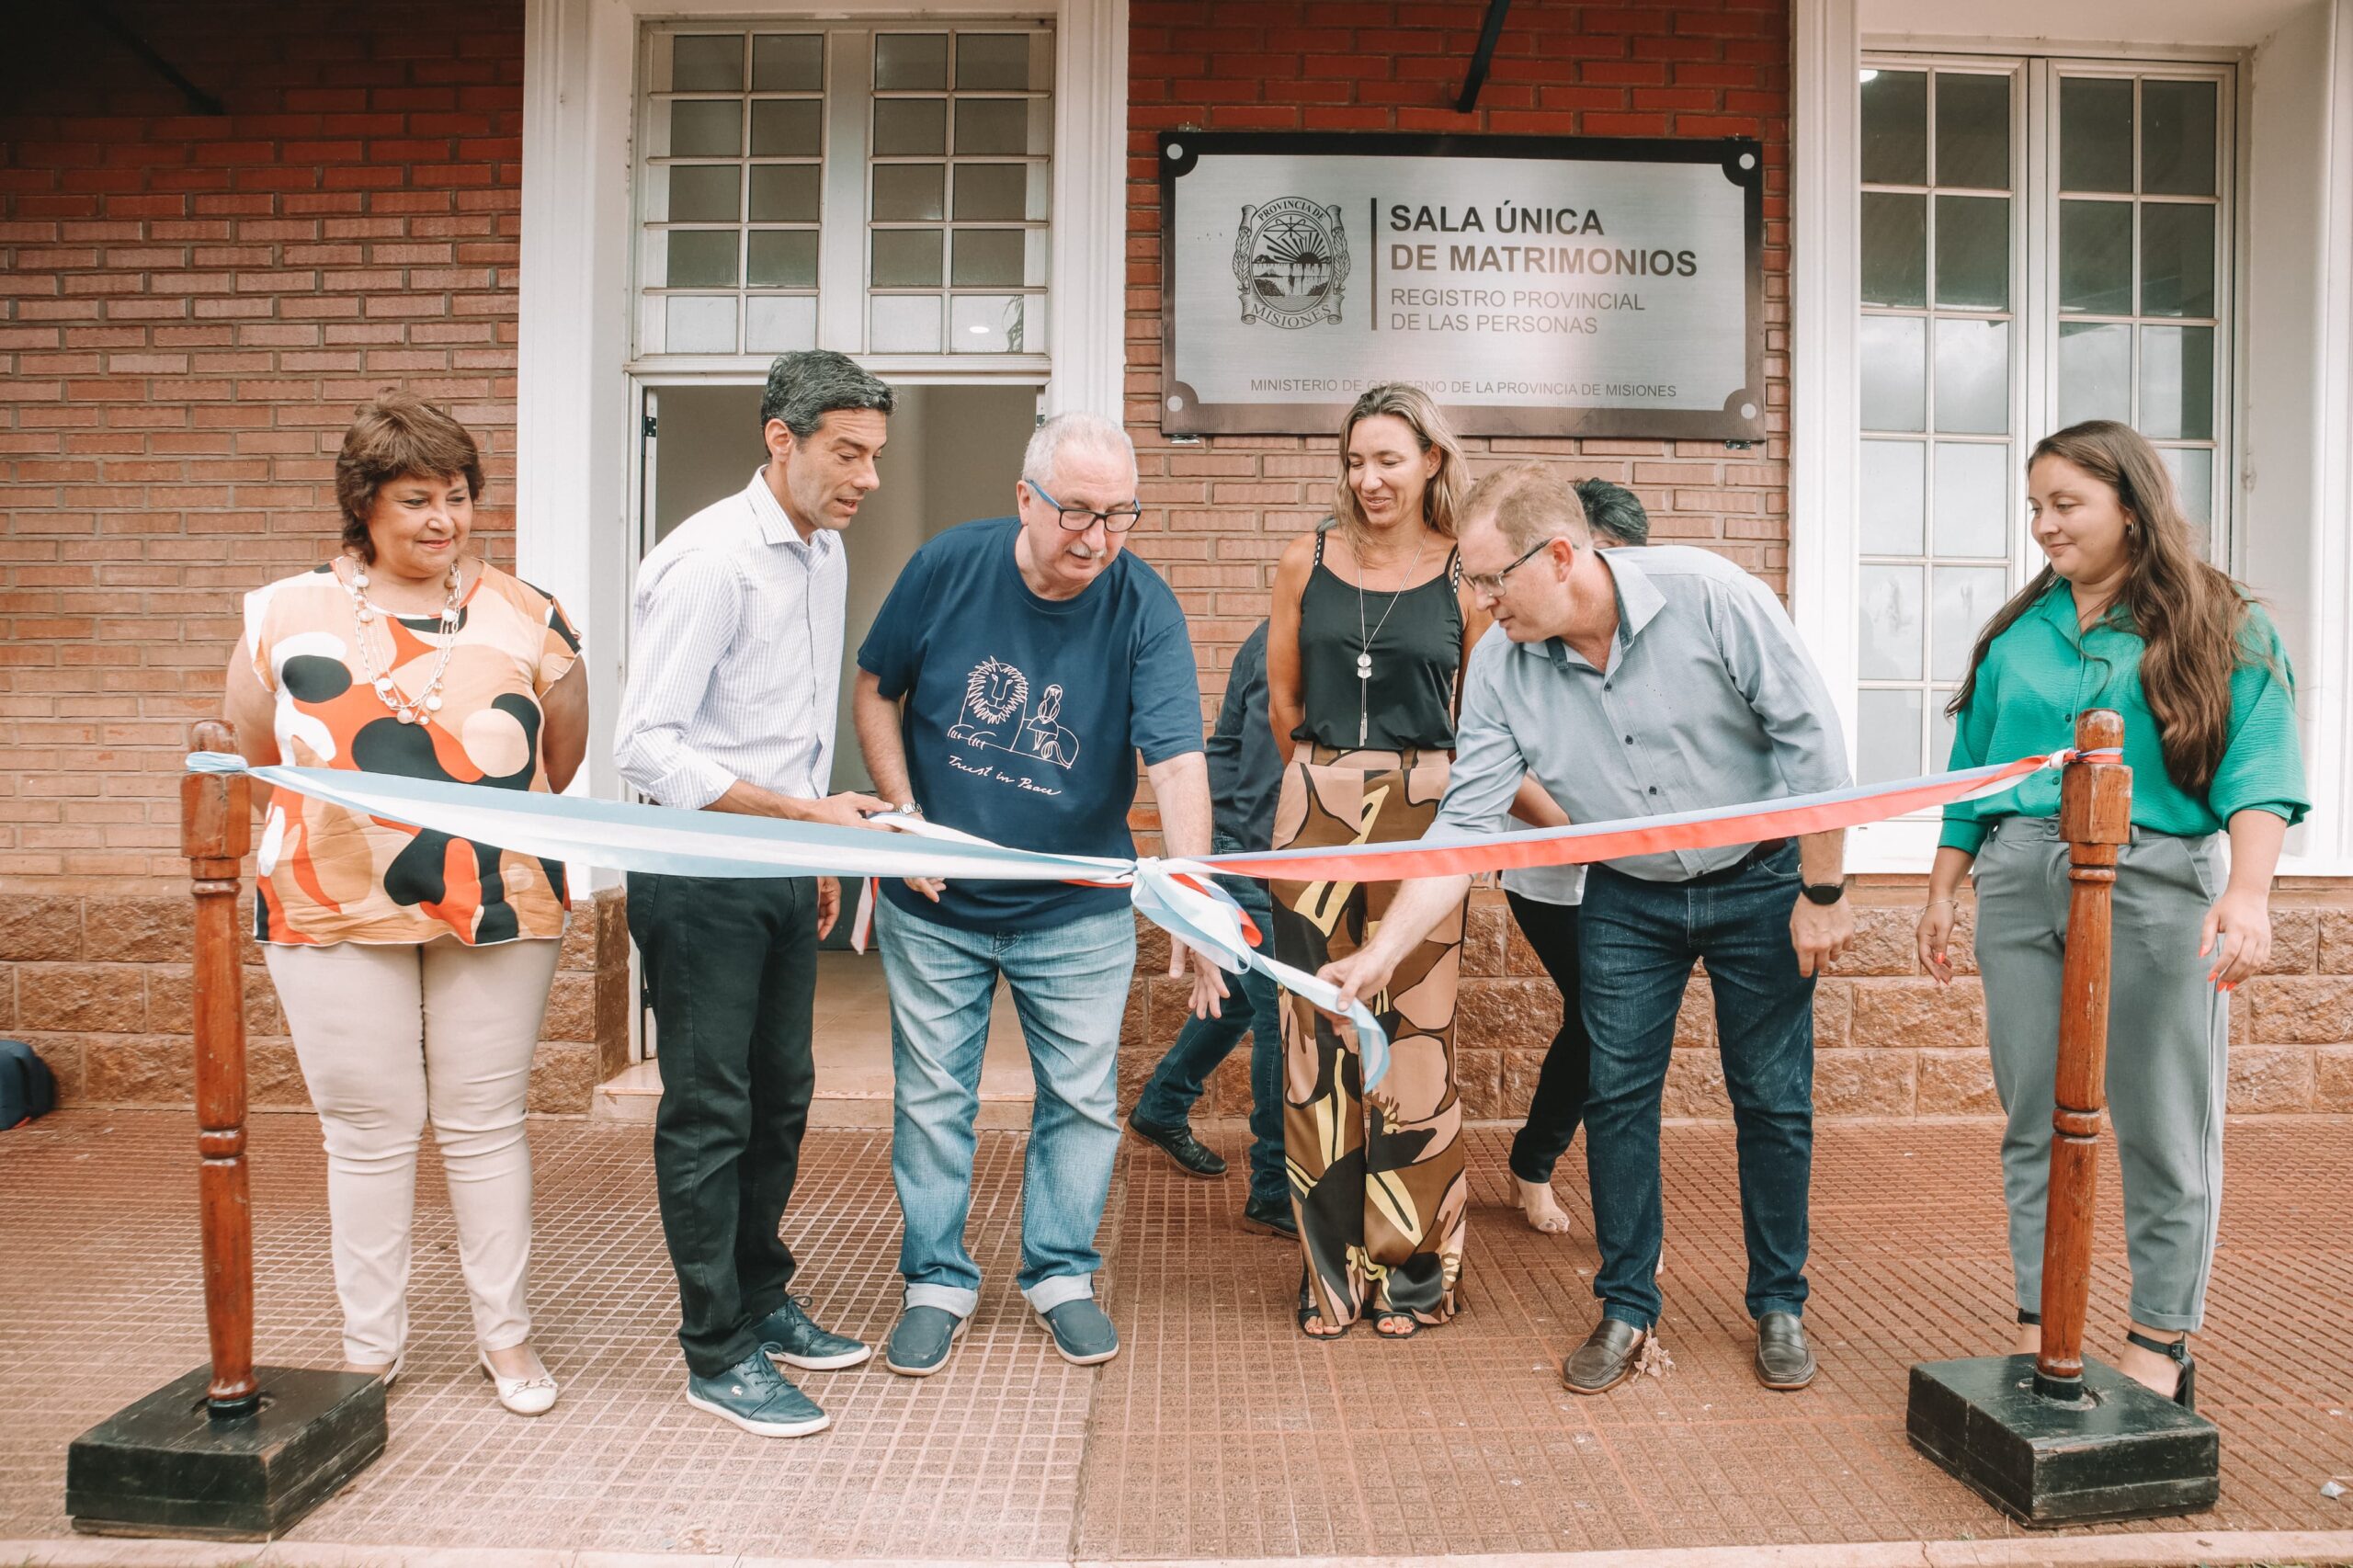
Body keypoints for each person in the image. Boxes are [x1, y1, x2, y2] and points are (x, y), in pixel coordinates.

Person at [1319, 460, 1856, 1394]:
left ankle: (1779, 1301)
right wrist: (1379, 953)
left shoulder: (1715, 597)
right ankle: (1626, 1305)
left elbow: (1812, 741)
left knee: (1770, 1097)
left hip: (1762, 878)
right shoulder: (1498, 665)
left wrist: (1822, 890)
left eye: (1492, 579)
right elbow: (1464, 827)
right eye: (1467, 582)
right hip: (1628, 892)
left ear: (1562, 554)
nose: (1480, 604)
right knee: (1614, 1095)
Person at [1916, 420, 2306, 1408]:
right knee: (2033, 1117)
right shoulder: (2017, 630)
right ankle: (2039, 1325)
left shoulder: (2221, 620)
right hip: (2016, 877)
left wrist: (2247, 892)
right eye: (2035, 504)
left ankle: (2157, 1343)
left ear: (2129, 506)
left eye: (2065, 504)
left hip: (2150, 881)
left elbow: (2260, 768)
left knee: (2163, 1126)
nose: (2043, 524)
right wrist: (1942, 885)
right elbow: (1979, 770)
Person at [222, 392, 587, 1416]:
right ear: (364, 505)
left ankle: (505, 1340)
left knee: (483, 1123)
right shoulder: (284, 612)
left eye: (458, 496)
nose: (443, 519)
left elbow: (561, 753)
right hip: (330, 901)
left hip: (497, 897)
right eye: (416, 498)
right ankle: (368, 1350)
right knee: (368, 1131)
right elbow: (258, 749)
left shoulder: (528, 611)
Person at [853, 412, 1221, 1376]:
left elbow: (1178, 763)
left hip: (1077, 910)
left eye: (1119, 515)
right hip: (936, 906)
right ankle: (935, 1278)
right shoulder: (947, 566)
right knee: (934, 1099)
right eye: (1075, 512)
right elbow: (873, 687)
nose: (1096, 538)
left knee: (1082, 1100)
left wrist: (1190, 899)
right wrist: (901, 817)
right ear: (1025, 499)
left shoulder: (1143, 604)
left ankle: (1060, 1272)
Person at [613, 349, 896, 1439]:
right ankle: (715, 1348)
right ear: (780, 438)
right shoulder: (710, 562)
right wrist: (798, 820)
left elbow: (791, 727)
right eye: (846, 452)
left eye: (875, 455)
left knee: (781, 1097)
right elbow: (646, 746)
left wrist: (809, 849)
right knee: (709, 1113)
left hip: (779, 868)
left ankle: (763, 1295)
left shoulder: (819, 552)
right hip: (697, 878)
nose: (866, 477)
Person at [1265, 383, 1492, 1341]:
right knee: (1313, 1047)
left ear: (1430, 460)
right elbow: (1282, 702)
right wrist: (1329, 788)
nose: (1369, 479)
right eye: (1356, 460)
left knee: (1415, 1046)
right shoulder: (1302, 560)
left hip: (1427, 808)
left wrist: (1409, 790)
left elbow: (1483, 719)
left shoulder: (1460, 576)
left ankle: (1410, 1273)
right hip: (1312, 804)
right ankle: (1328, 1276)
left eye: (1389, 459)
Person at [1504, 478, 1650, 1236]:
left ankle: (1541, 1163)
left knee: (1606, 1024)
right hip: (1553, 875)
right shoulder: (1522, 645)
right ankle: (1537, 1164)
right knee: (1601, 1021)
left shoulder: (1651, 637)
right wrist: (1581, 826)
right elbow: (1500, 763)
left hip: (1634, 876)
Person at [1124, 619, 1294, 1240]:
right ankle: (1274, 1190)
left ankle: (1162, 1106)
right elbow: (1262, 766)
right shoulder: (1297, 628)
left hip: (1246, 837)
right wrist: (1261, 864)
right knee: (1283, 1009)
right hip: (1245, 841)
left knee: (1244, 997)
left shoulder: (1309, 620)